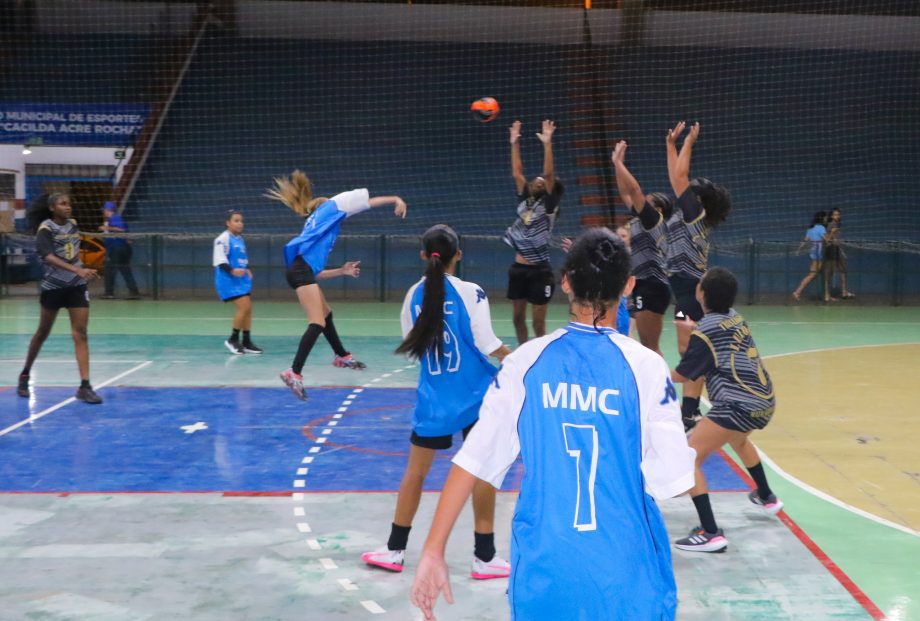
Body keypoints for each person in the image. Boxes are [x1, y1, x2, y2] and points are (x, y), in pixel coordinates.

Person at [410, 228, 695, 621]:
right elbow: (675, 478)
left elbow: (472, 461)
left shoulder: (523, 364)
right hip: (625, 572)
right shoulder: (646, 367)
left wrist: (432, 551)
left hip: (546, 572)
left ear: (565, 283)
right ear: (628, 286)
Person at [362, 224, 512, 579]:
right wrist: (521, 361)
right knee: (482, 474)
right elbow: (488, 343)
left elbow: (414, 352)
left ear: (422, 255)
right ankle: (485, 557)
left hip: (434, 400)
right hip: (477, 398)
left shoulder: (414, 295)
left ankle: (395, 550)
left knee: (415, 473)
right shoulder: (470, 291)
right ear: (458, 255)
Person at [670, 267, 783, 553]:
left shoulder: (697, 319)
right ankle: (767, 496)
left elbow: (684, 373)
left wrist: (647, 372)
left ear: (702, 293)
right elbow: (709, 333)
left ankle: (710, 532)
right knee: (738, 438)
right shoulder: (734, 317)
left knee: (688, 457)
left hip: (736, 403)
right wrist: (692, 327)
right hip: (763, 401)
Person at [267, 170, 407, 400]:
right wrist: (395, 199)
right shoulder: (332, 207)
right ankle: (294, 372)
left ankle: (341, 355)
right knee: (316, 322)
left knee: (326, 314)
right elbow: (367, 203)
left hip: (300, 271)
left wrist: (342, 271)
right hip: (300, 271)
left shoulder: (318, 227)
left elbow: (316, 274)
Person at [665, 121, 732, 432]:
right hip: (682, 290)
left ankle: (690, 412)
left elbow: (680, 178)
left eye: (693, 193)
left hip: (692, 289)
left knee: (692, 352)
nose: (686, 192)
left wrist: (689, 141)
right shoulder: (685, 213)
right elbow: (675, 178)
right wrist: (671, 145)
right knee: (686, 349)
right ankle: (690, 409)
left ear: (700, 201)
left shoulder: (697, 216)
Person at [17, 193, 103, 404]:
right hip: (54, 287)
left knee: (80, 333)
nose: (68, 207)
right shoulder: (46, 228)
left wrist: (84, 270)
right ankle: (25, 374)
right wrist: (76, 269)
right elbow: (48, 256)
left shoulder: (73, 224)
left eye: (69, 203)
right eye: (63, 204)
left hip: (76, 286)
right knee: (42, 333)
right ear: (52, 208)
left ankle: (85, 386)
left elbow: (72, 252)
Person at [504, 119, 563, 345]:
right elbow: (517, 173)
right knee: (517, 318)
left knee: (538, 324)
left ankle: (540, 355)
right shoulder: (525, 201)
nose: (536, 180)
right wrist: (514, 143)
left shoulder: (548, 207)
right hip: (519, 268)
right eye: (535, 180)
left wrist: (547, 144)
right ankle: (522, 352)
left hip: (540, 271)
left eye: (541, 181)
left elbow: (548, 176)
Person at [612, 140, 673, 356]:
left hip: (653, 285)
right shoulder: (641, 219)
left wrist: (618, 162)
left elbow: (635, 189)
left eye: (649, 200)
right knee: (645, 346)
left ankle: (662, 389)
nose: (643, 200)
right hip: (642, 284)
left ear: (658, 208)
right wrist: (616, 165)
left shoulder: (653, 219)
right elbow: (625, 193)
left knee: (650, 347)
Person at [213, 209, 261, 354]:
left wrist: (247, 269)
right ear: (228, 223)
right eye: (236, 221)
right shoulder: (222, 239)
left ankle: (246, 341)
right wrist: (232, 271)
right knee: (244, 307)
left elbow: (240, 260)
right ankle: (233, 339)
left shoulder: (240, 239)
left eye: (241, 221)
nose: (240, 223)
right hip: (228, 279)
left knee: (248, 309)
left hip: (241, 279)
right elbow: (220, 260)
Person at [99, 201, 141, 300]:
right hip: (118, 248)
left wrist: (107, 228)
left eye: (104, 210)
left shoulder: (115, 217)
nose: (103, 212)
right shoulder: (110, 220)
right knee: (124, 270)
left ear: (108, 210)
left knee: (110, 270)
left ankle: (109, 293)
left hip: (118, 248)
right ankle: (134, 292)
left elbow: (121, 230)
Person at [792, 211, 829, 302]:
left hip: (813, 253)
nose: (826, 219)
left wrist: (798, 250)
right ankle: (797, 292)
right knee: (813, 274)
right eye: (825, 218)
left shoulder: (810, 229)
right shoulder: (821, 228)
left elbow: (804, 241)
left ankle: (826, 295)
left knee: (821, 274)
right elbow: (827, 240)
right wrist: (832, 233)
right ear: (822, 219)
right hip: (819, 254)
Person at [823, 207, 855, 299]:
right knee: (829, 273)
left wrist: (841, 249)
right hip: (831, 250)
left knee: (843, 270)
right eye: (835, 214)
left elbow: (836, 240)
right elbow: (828, 239)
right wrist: (832, 234)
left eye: (838, 214)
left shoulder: (836, 225)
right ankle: (827, 294)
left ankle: (844, 292)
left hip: (837, 250)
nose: (837, 216)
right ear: (832, 216)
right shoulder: (831, 224)